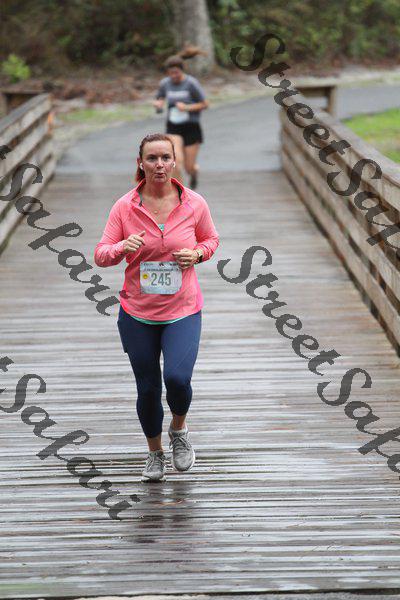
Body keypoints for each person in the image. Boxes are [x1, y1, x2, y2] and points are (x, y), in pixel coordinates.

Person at [94, 133, 219, 483]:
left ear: (175, 162)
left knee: (177, 379)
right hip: (137, 312)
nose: (159, 165)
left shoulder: (194, 203)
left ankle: (178, 429)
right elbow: (101, 254)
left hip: (183, 309)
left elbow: (211, 240)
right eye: (152, 158)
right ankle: (154, 453)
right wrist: (122, 247)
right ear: (140, 163)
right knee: (147, 388)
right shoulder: (125, 207)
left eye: (165, 157)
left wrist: (197, 254)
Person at [153, 55, 208, 189]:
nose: (174, 76)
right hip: (173, 126)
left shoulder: (191, 83)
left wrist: (187, 107)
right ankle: (181, 193)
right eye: (171, 73)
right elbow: (160, 97)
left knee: (189, 167)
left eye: (176, 72)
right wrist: (158, 104)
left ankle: (194, 173)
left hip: (191, 126)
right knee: (175, 162)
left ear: (182, 70)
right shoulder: (165, 83)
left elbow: (205, 104)